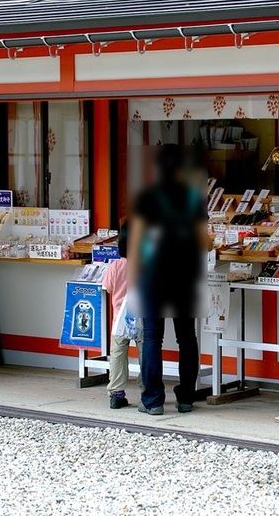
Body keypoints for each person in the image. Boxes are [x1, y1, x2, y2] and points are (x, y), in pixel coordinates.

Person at [128, 145, 207, 415]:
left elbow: (136, 241)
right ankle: (186, 397)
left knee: (152, 338)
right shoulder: (193, 198)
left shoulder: (147, 197)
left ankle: (153, 400)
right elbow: (202, 241)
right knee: (187, 337)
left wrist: (133, 277)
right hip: (185, 276)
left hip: (154, 276)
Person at [102, 222, 142, 409]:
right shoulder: (145, 265)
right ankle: (147, 388)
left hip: (119, 319)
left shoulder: (116, 266)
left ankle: (116, 393)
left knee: (118, 354)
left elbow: (108, 288)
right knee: (146, 353)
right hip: (142, 317)